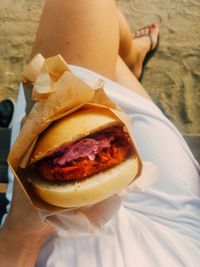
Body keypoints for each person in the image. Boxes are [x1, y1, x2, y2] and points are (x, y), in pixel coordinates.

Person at [0, 1, 199, 266]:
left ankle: (129, 57)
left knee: (80, 9)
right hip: (177, 236)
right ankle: (131, 57)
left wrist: (22, 235)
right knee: (97, 29)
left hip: (47, 231)